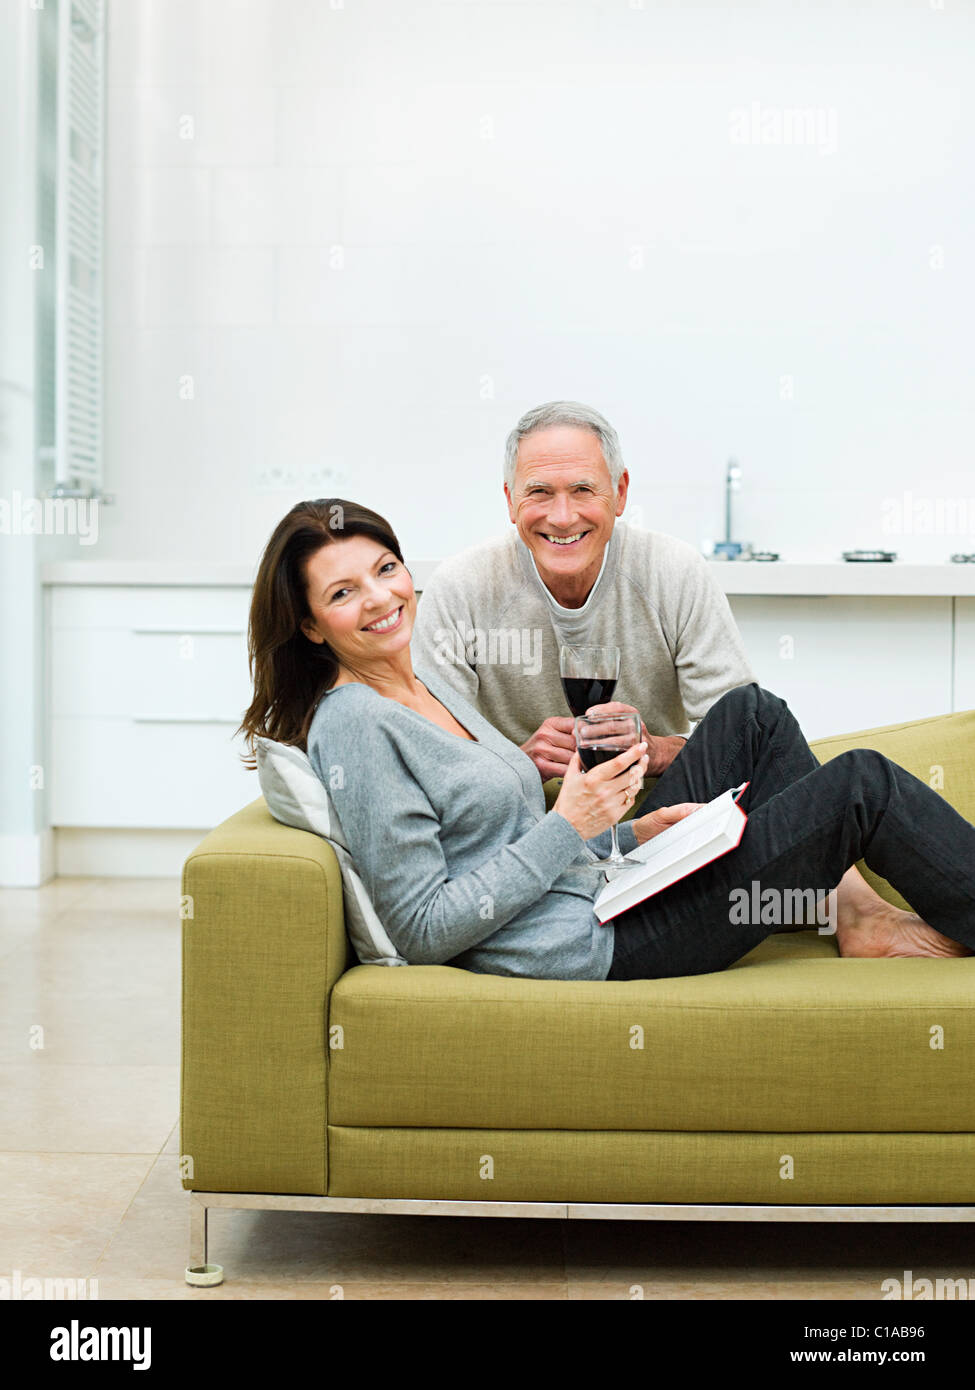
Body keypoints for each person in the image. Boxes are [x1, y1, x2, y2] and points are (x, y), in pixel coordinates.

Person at [237, 499, 974, 984]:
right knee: (861, 784)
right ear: (308, 625)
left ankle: (859, 918)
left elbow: (513, 841)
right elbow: (423, 927)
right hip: (601, 941)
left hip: (611, 887)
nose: (379, 598)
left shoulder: (426, 680)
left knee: (750, 713)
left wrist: (630, 834)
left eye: (385, 569)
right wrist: (574, 823)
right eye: (342, 593)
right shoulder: (356, 725)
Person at [411, 399, 756, 784]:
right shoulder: (459, 588)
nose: (562, 517)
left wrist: (653, 751)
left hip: (656, 811)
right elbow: (431, 759)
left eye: (583, 489)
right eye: (539, 491)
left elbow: (743, 739)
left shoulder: (675, 571)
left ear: (620, 492)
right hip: (521, 823)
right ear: (511, 500)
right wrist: (518, 761)